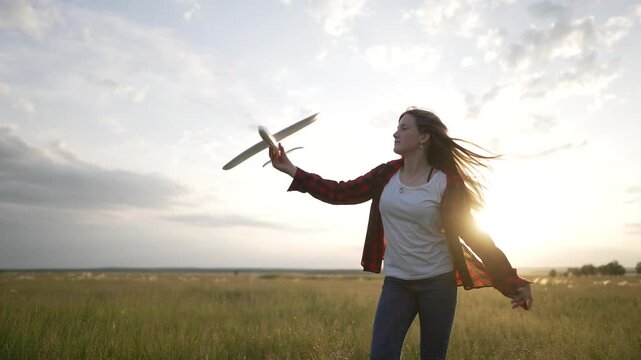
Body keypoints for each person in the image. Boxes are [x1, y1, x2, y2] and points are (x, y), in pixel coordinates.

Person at [268, 107, 533, 360]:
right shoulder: (386, 174)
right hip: (397, 283)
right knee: (382, 355)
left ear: (424, 137)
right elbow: (341, 192)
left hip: (438, 283)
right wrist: (292, 170)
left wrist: (513, 283)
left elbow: (473, 235)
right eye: (397, 127)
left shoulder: (445, 181)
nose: (395, 133)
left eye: (403, 128)